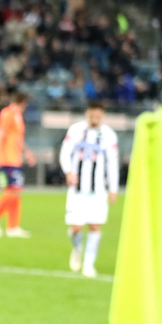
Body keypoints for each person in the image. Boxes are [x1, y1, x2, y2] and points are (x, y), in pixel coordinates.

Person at [59, 101, 119, 278]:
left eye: (98, 116)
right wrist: (68, 171)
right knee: (76, 227)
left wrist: (113, 188)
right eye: (92, 116)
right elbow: (65, 153)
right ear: (87, 114)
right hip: (77, 189)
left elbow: (112, 163)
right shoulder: (76, 130)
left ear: (103, 116)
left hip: (98, 190)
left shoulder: (109, 135)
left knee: (94, 225)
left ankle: (89, 264)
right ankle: (77, 249)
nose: (95, 119)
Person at [0, 92, 36, 238]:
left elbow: (17, 140)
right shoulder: (8, 114)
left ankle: (12, 227)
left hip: (15, 158)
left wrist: (27, 153)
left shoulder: (18, 116)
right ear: (22, 102)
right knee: (12, 191)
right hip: (6, 159)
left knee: (16, 192)